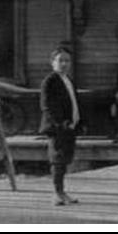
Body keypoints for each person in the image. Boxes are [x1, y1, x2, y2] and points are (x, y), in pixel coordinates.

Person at [39, 44, 83, 206]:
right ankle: (56, 193)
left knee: (65, 160)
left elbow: (73, 102)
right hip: (57, 128)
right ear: (52, 62)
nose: (64, 64)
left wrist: (79, 121)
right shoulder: (50, 81)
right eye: (60, 60)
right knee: (57, 160)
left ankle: (63, 192)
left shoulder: (68, 80)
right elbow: (46, 106)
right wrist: (61, 123)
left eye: (67, 61)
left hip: (70, 127)